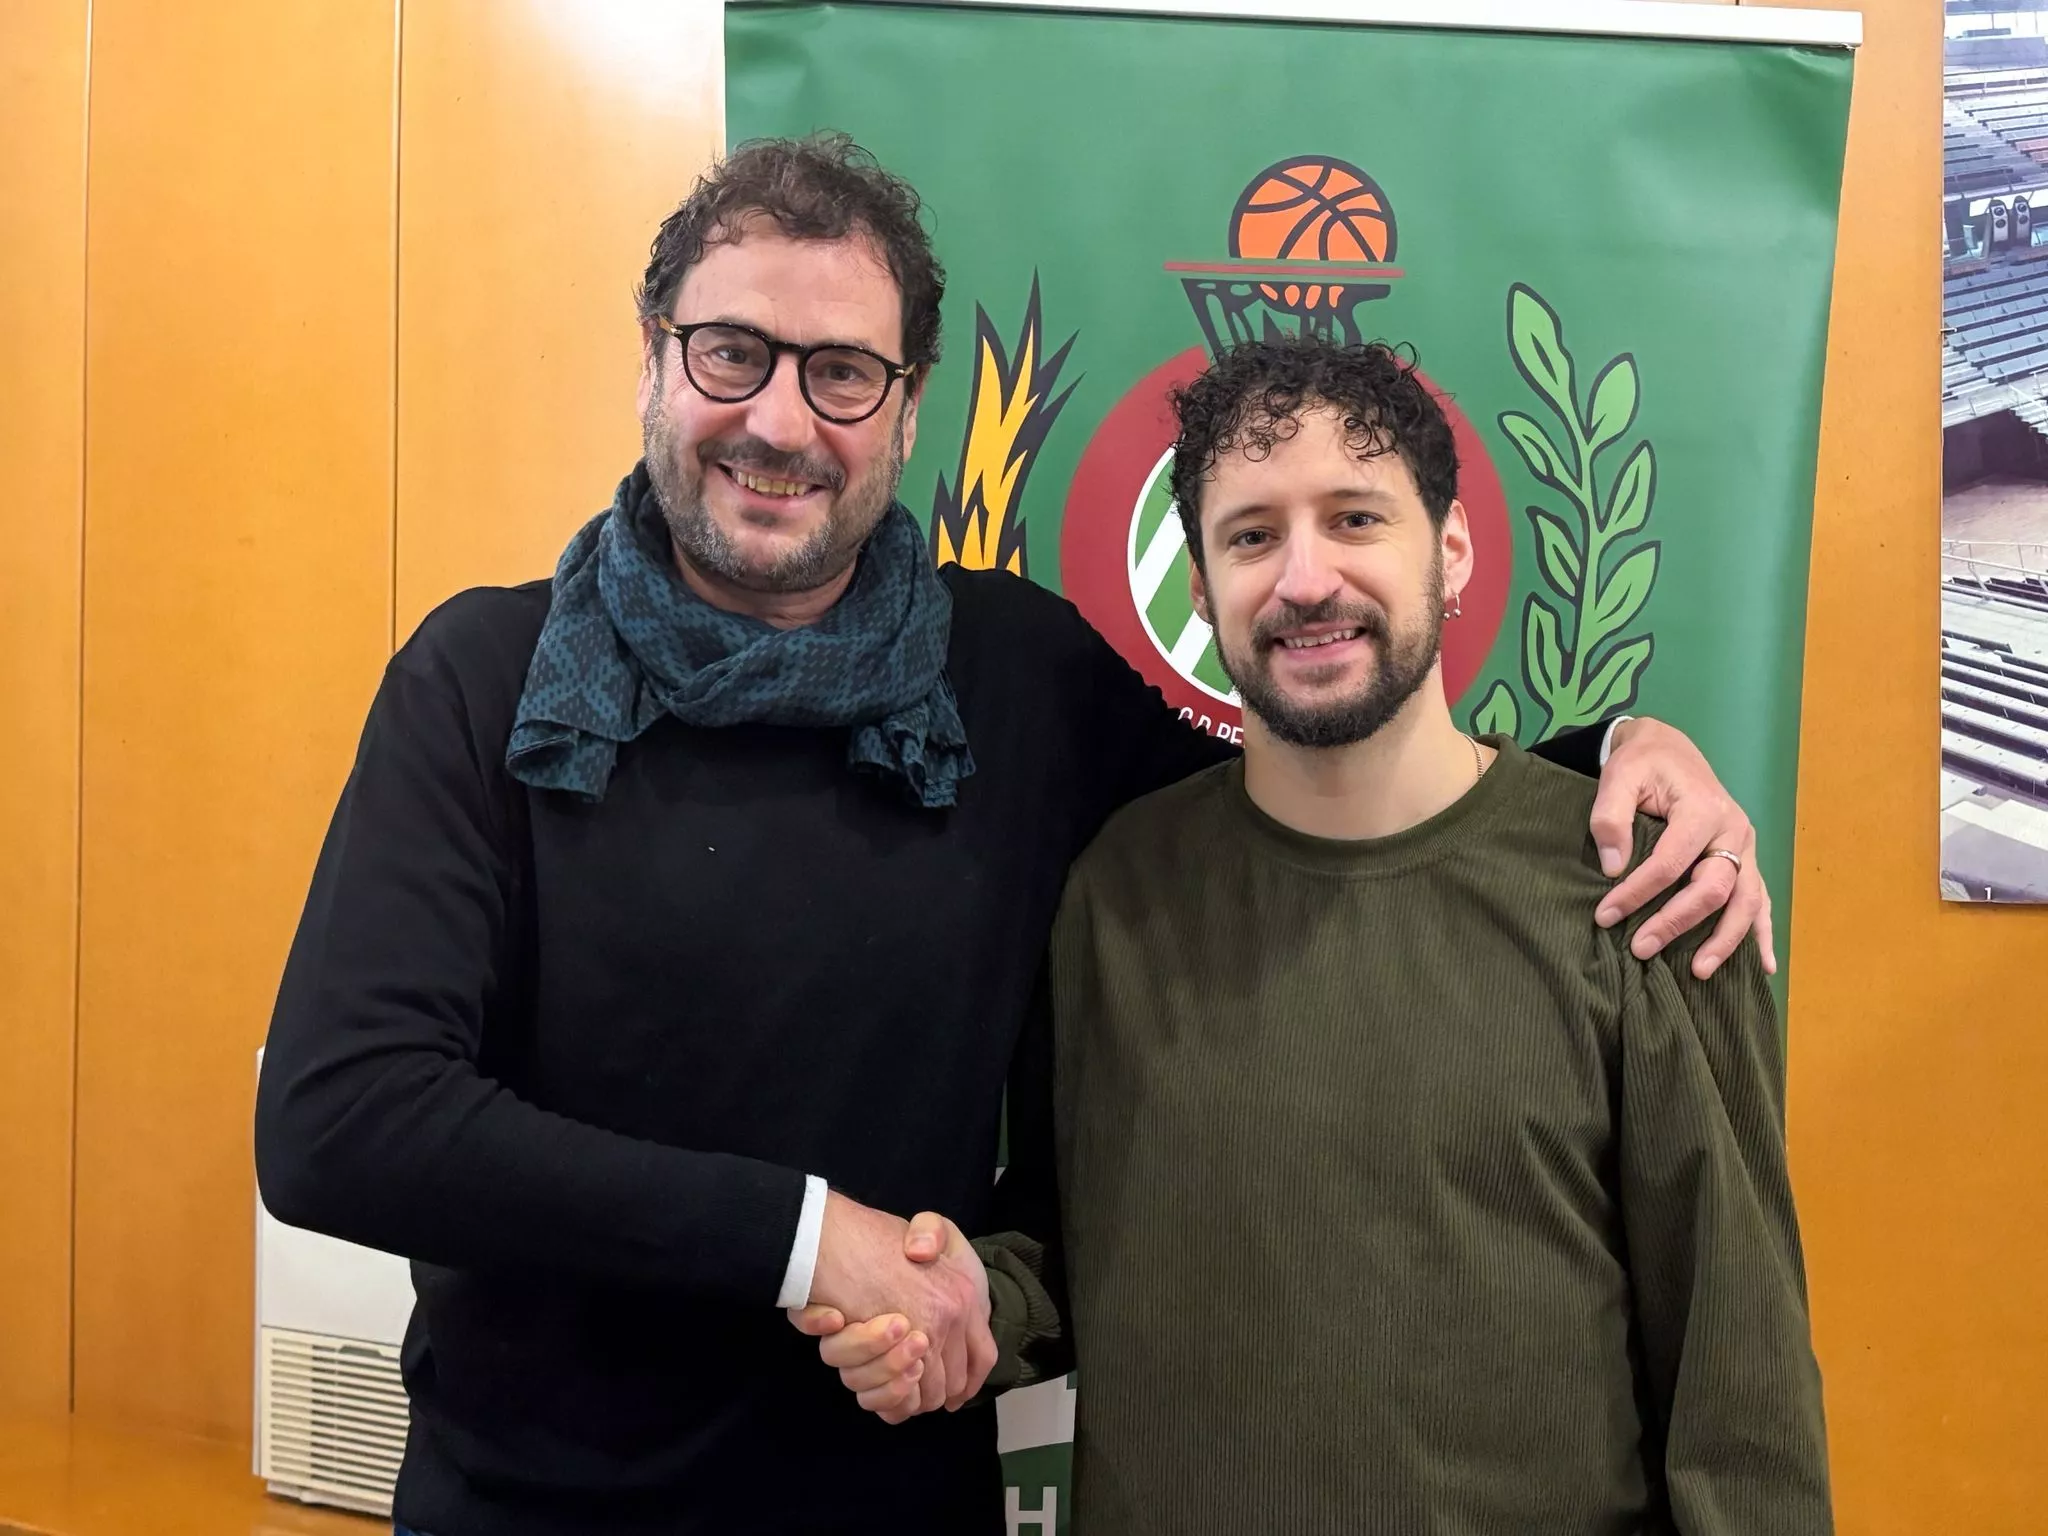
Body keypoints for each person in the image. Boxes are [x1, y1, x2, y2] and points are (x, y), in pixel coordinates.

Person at [255, 134, 1777, 1536]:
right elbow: (342, 1124)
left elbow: (1296, 763)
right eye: (733, 353)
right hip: (538, 1507)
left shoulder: (1016, 675)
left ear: (909, 407)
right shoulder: (484, 679)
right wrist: (799, 1240)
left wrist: (1605, 759)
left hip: (896, 1505)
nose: (779, 419)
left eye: (842, 372)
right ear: (656, 362)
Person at [804, 337, 1830, 1534]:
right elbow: (1079, 1239)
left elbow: (1739, 1397)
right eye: (1250, 536)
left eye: (1353, 519)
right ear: (1198, 585)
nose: (1303, 579)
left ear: (1448, 551)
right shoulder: (1119, 890)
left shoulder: (1639, 885)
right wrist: (967, 1301)